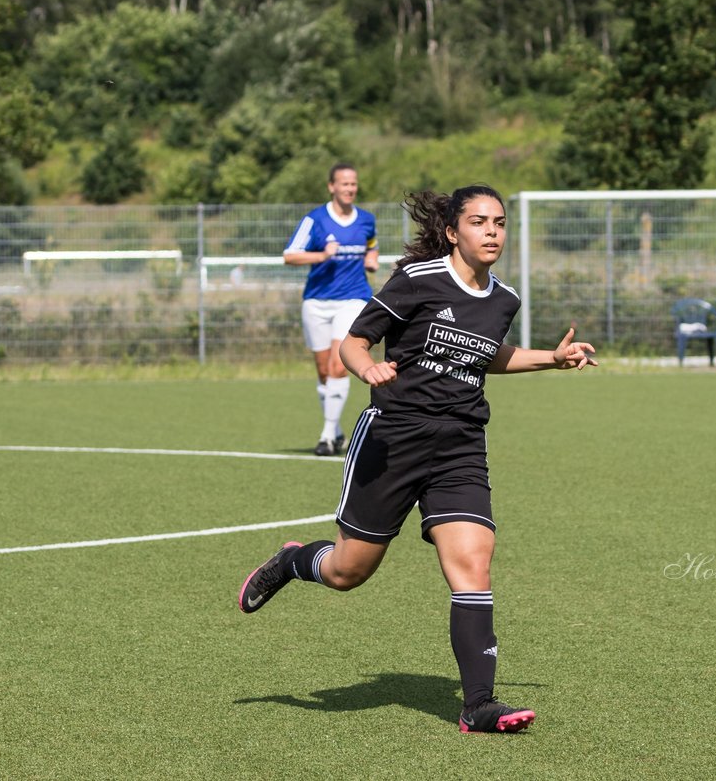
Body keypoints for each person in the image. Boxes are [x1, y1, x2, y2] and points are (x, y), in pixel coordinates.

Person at [238, 185, 597, 735]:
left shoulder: (505, 299)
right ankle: (293, 561)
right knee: (347, 571)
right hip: (394, 440)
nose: (493, 231)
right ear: (453, 232)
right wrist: (367, 370)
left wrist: (551, 357)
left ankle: (478, 704)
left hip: (459, 445)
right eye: (479, 222)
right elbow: (354, 342)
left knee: (474, 563)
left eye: (499, 222)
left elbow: (487, 353)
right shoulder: (417, 280)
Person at [284, 164, 379, 455]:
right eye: (344, 183)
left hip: (353, 299)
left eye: (353, 184)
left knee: (340, 364)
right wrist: (321, 255)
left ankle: (326, 436)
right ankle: (336, 431)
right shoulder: (315, 220)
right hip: (317, 301)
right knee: (325, 371)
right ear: (331, 187)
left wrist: (372, 259)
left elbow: (372, 245)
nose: (350, 188)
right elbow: (290, 256)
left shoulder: (366, 220)